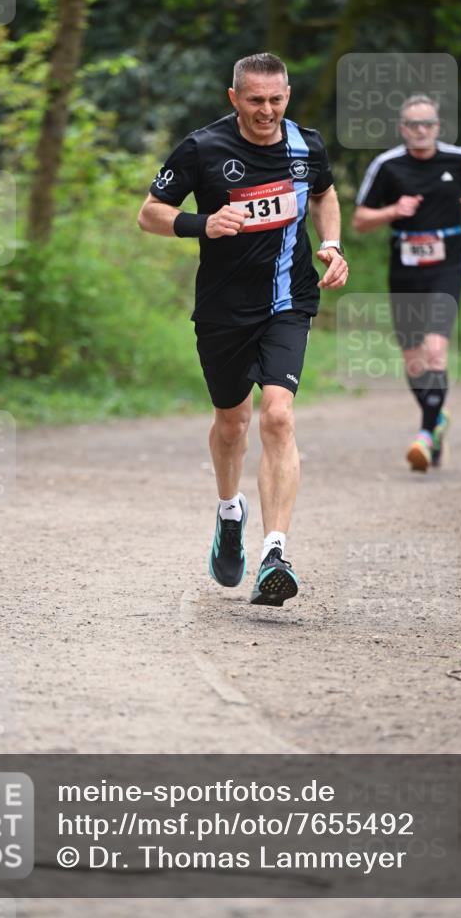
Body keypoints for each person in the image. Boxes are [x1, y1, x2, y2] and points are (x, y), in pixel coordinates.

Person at [137, 52, 348, 607]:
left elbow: (324, 195)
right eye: (255, 100)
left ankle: (274, 554)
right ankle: (230, 513)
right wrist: (201, 223)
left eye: (276, 99)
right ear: (234, 98)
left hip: (289, 301)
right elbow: (150, 212)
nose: (267, 110)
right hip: (223, 310)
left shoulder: (307, 146)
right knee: (232, 423)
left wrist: (331, 244)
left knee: (278, 415)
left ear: (287, 95)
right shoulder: (202, 148)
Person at [352, 94, 461, 472]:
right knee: (414, 361)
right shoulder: (387, 166)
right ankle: (438, 419)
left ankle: (425, 435)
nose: (421, 130)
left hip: (447, 265)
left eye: (427, 124)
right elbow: (360, 220)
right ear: (402, 128)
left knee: (435, 353)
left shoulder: (457, 159)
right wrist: (395, 211)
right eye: (413, 125)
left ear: (438, 126)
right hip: (405, 267)